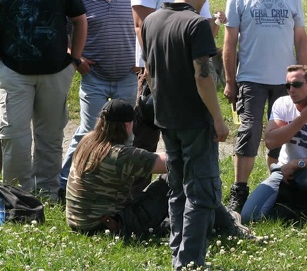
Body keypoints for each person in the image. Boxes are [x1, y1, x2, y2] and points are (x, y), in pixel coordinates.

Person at [141, 0, 230, 271]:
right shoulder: (197, 26)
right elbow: (202, 76)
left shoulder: (151, 21)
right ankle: (190, 262)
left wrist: (160, 104)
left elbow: (149, 71)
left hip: (165, 116)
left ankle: (177, 251)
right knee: (202, 190)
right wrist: (218, 119)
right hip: (195, 119)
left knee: (176, 188)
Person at [67, 100, 253, 240]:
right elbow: (172, 162)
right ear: (127, 125)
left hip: (79, 223)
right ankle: (228, 225)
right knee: (172, 177)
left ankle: (204, 222)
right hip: (110, 226)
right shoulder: (120, 155)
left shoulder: (88, 141)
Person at [0, 0, 87, 201]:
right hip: (14, 72)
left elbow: (80, 20)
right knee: (14, 134)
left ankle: (47, 192)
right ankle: (16, 195)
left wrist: (74, 58)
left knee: (50, 136)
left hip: (55, 72)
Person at [224, 0, 307, 213]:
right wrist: (229, 80)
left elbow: (300, 37)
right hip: (251, 77)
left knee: (282, 134)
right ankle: (240, 189)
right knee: (249, 131)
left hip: (285, 80)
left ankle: (277, 186)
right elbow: (230, 41)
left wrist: (303, 78)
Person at [59, 0, 138, 199]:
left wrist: (143, 60)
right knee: (87, 131)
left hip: (128, 77)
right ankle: (65, 183)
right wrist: (75, 58)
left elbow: (146, 28)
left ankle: (119, 188)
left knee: (125, 134)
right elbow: (63, 32)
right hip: (94, 77)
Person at [131, 0, 219, 152]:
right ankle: (137, 187)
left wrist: (215, 23)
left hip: (188, 75)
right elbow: (142, 27)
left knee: (182, 143)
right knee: (145, 141)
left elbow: (205, 28)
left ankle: (174, 186)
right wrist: (155, 66)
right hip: (154, 72)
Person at [241, 65, 307, 223]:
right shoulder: (282, 104)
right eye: (287, 86)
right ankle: (298, 209)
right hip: (284, 172)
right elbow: (270, 141)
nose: (291, 90)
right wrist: (302, 119)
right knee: (249, 216)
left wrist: (297, 164)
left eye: (296, 85)